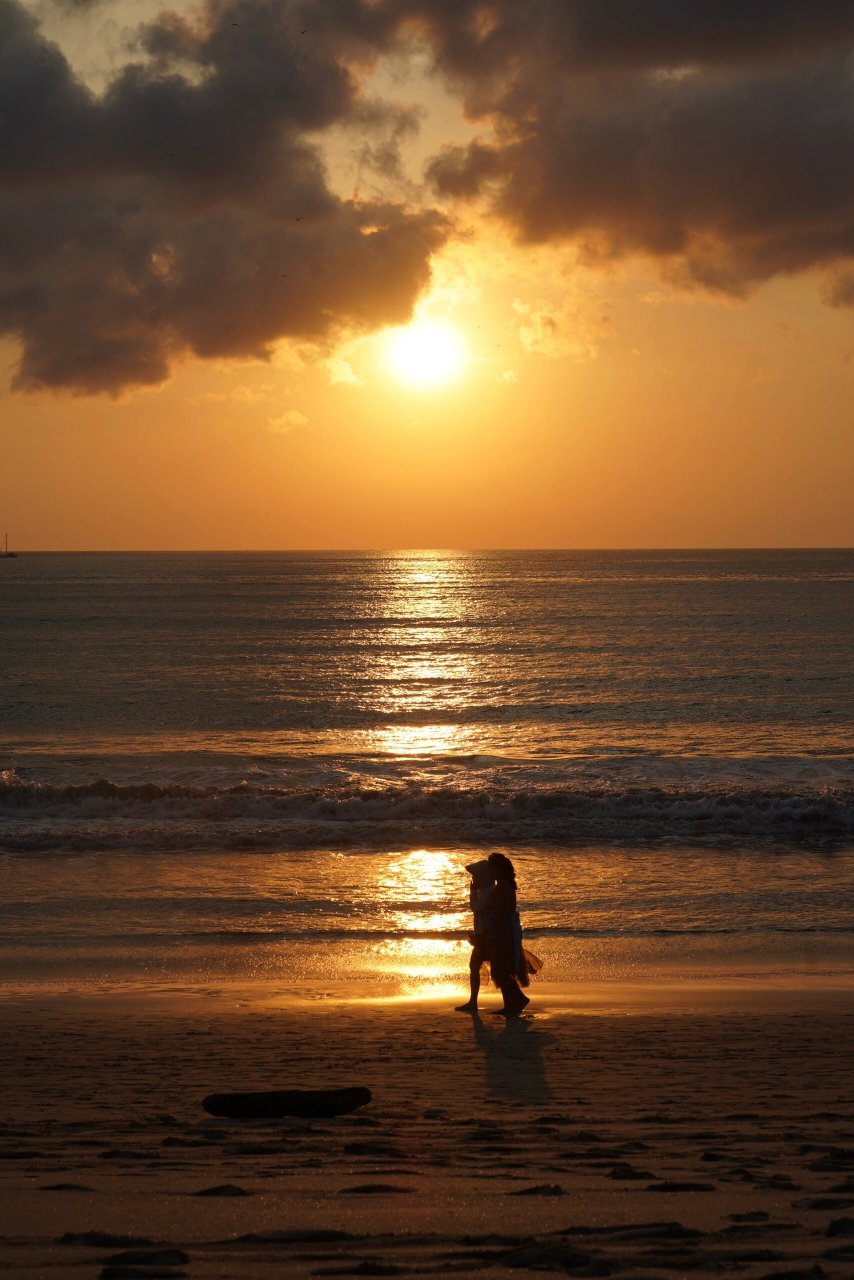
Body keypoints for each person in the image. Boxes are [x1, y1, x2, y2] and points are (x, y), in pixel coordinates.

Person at [485, 851, 531, 1016]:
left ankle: (519, 998)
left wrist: (494, 930)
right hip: (505, 928)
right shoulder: (504, 884)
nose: (489, 871)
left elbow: (501, 911)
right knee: (501, 968)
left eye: (491, 868)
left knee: (499, 969)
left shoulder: (503, 886)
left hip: (503, 930)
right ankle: (510, 1004)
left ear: (499, 869)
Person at [455, 860, 496, 1012]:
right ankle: (473, 1002)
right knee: (478, 966)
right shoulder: (487, 890)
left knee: (494, 969)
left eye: (475, 876)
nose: (473, 880)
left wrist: (472, 892)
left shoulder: (488, 891)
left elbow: (476, 909)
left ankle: (473, 1002)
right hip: (484, 934)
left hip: (487, 935)